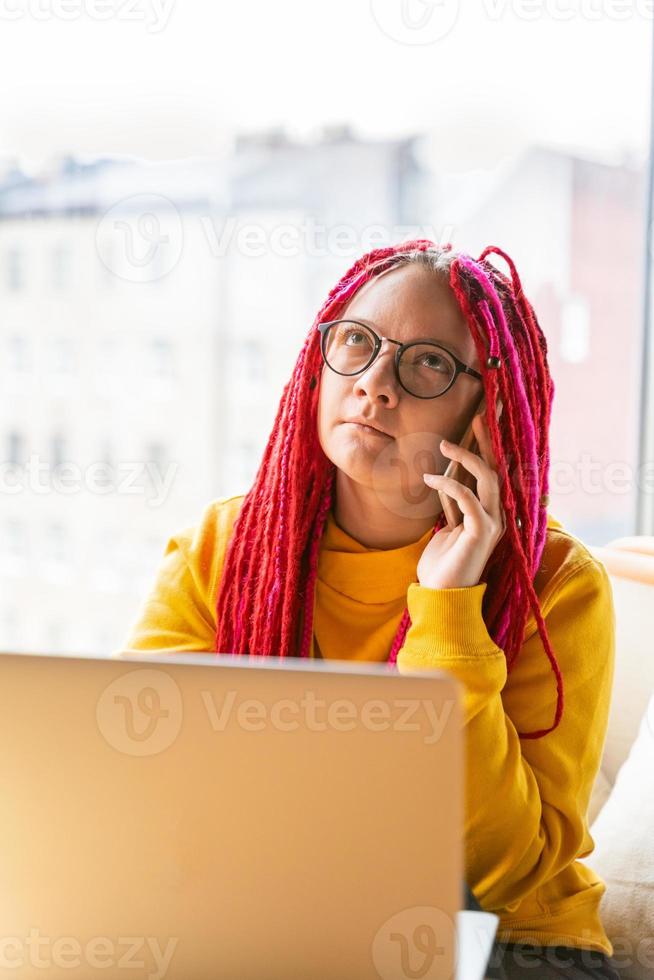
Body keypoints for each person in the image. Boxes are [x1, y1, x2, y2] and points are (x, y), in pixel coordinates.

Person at [116, 240, 621, 979]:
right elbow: (137, 785)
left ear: (489, 411)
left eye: (426, 363)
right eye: (357, 342)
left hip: (514, 946)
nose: (376, 384)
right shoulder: (221, 549)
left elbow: (499, 866)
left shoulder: (558, 585)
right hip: (281, 918)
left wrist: (450, 610)